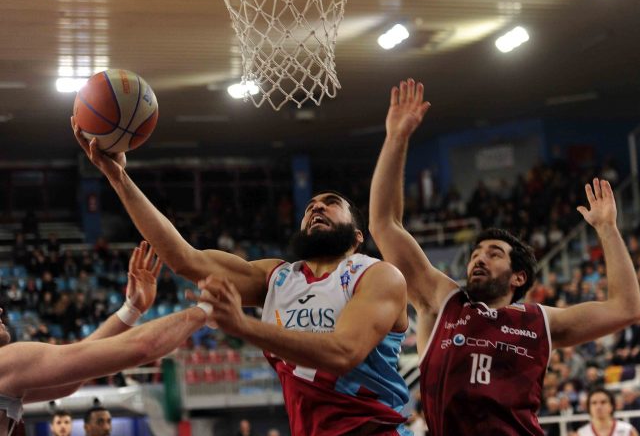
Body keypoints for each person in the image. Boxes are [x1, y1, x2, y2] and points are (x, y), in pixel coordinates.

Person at [72, 120, 412, 436]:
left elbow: (343, 354)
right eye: (310, 206)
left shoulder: (377, 275)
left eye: (331, 203)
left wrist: (242, 325)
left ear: (357, 236)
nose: (316, 208)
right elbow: (185, 259)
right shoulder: (277, 278)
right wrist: (118, 178)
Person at [368, 79, 640, 436]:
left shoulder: (539, 321)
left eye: (494, 253)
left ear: (518, 277)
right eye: (476, 253)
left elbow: (627, 309)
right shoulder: (442, 302)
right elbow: (384, 224)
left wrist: (607, 228)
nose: (479, 259)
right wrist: (396, 138)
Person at [0, 243, 209, 435]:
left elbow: (71, 379)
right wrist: (208, 309)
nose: (1, 310)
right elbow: (141, 347)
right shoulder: (7, 361)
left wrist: (131, 310)